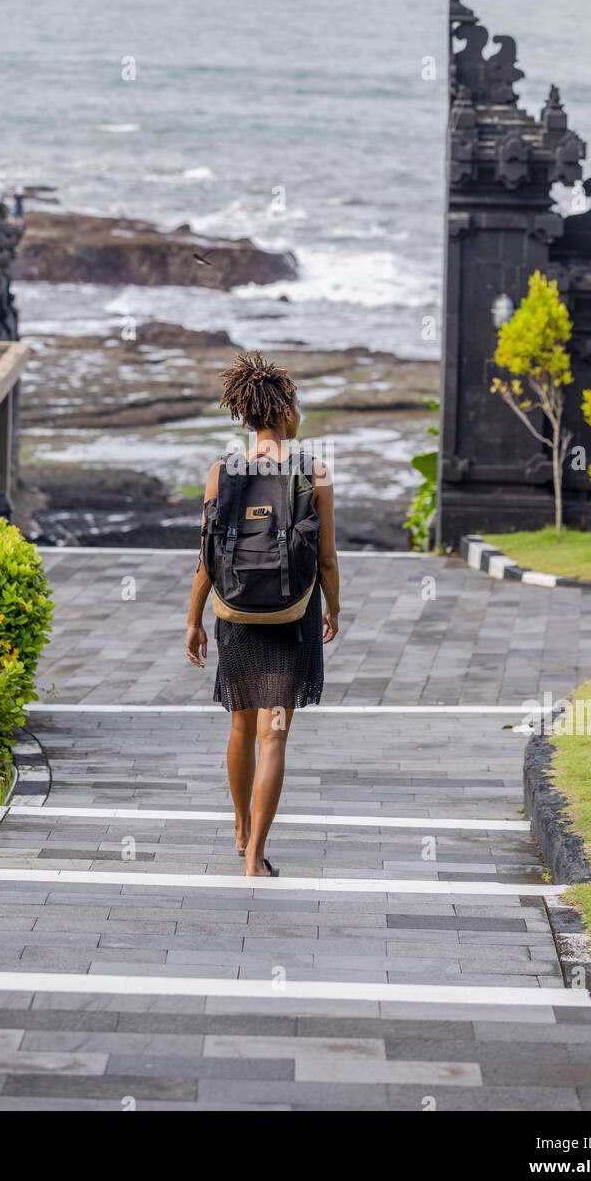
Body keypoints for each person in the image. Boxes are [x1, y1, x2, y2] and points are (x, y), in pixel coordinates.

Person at [185, 351, 340, 877]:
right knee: (275, 732)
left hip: (236, 613)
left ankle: (239, 829)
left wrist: (193, 620)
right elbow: (326, 558)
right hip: (292, 612)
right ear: (284, 410)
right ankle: (255, 859)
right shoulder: (312, 470)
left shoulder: (221, 471)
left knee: (241, 730)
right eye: (296, 404)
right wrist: (333, 607)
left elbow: (206, 558)